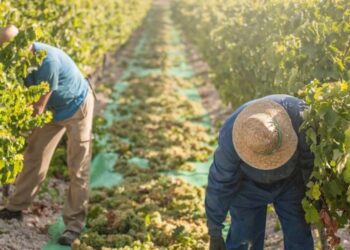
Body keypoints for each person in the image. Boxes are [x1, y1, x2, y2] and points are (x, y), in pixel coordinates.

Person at [0, 25, 94, 246]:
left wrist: (14, 130)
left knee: (78, 166)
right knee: (34, 155)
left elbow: (38, 107)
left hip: (76, 107)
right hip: (52, 111)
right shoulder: (15, 62)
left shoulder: (46, 61)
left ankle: (74, 226)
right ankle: (16, 207)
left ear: (23, 45)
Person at [206, 94, 315, 250]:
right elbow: (219, 184)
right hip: (247, 187)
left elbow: (309, 159)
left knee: (299, 239)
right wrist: (215, 232)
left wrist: (314, 195)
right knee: (244, 242)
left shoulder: (300, 116)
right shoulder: (231, 140)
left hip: (291, 183)